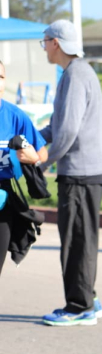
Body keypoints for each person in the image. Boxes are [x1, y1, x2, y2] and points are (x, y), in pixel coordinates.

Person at [38, 19, 102, 326]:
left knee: (76, 242)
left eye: (44, 42)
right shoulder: (76, 72)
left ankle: (78, 307)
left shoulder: (76, 74)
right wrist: (34, 137)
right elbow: (59, 124)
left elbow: (68, 129)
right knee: (81, 240)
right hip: (86, 172)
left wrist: (45, 160)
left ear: (56, 43)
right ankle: (87, 300)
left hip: (81, 173)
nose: (43, 48)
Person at [0, 60, 48, 276]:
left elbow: (41, 152)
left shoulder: (15, 116)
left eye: (1, 77)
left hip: (3, 198)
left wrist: (32, 157)